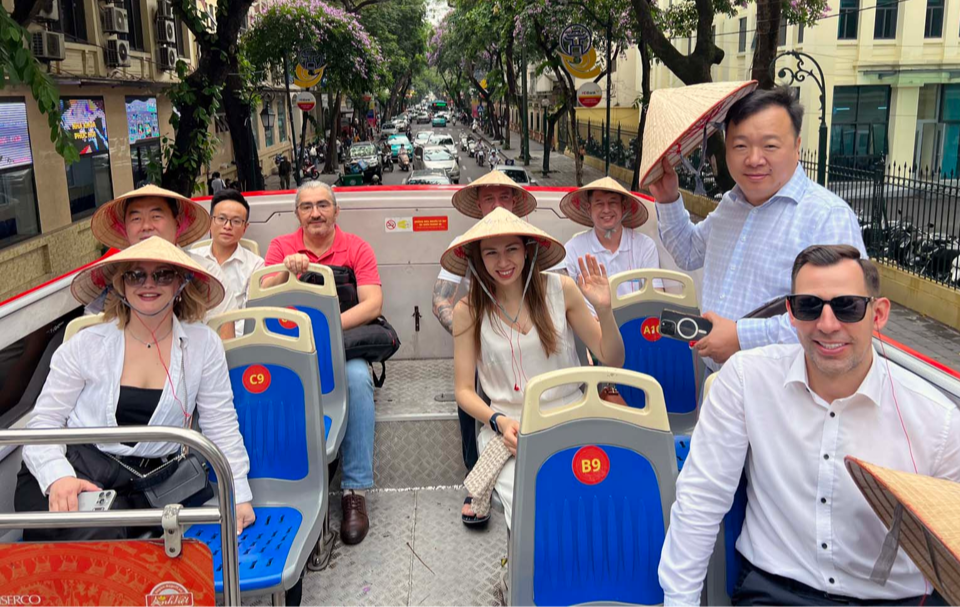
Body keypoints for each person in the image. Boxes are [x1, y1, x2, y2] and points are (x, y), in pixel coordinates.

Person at [659, 244, 959, 607]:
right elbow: (701, 499)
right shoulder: (747, 381)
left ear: (877, 314)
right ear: (791, 313)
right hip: (776, 591)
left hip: (895, 598)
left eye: (847, 306)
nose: (828, 324)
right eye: (809, 306)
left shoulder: (937, 419)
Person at [15, 237, 256, 540]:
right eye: (136, 274)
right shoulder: (85, 345)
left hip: (150, 486)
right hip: (73, 469)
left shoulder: (202, 345)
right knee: (94, 540)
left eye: (163, 274)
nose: (148, 284)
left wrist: (238, 494)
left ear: (180, 283)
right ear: (121, 284)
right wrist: (58, 477)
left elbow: (220, 422)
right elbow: (43, 423)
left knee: (120, 539)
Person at [642, 85, 866, 369]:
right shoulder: (731, 205)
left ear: (797, 147)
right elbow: (689, 252)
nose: (754, 159)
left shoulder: (826, 217)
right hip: (719, 381)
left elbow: (840, 317)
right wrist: (667, 198)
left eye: (770, 145)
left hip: (783, 390)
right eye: (740, 146)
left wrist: (740, 336)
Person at [448, 208, 625, 527]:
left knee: (597, 501)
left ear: (527, 250)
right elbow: (463, 390)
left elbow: (612, 359)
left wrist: (604, 310)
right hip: (510, 427)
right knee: (534, 511)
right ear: (477, 258)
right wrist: (498, 421)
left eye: (512, 249)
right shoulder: (468, 310)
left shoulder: (561, 290)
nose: (503, 263)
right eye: (491, 253)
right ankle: (524, 574)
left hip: (574, 416)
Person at [261, 180, 382, 546]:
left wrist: (324, 330)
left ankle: (353, 492)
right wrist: (287, 271)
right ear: (297, 213)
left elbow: (373, 304)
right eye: (307, 206)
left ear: (335, 211)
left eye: (323, 205)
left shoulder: (357, 248)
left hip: (340, 350)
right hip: (289, 350)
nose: (315, 213)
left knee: (358, 380)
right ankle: (282, 490)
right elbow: (263, 297)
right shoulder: (280, 247)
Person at [432, 171, 538, 490]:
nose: (496, 205)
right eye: (488, 198)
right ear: (478, 204)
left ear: (515, 201)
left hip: (530, 333)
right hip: (485, 340)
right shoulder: (466, 245)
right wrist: (473, 338)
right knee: (470, 384)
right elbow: (440, 299)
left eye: (504, 197)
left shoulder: (532, 239)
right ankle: (476, 473)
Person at [90, 185, 238, 340]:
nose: (146, 226)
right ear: (124, 227)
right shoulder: (110, 277)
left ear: (178, 222)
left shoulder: (207, 274)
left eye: (156, 217)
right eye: (136, 219)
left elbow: (225, 339)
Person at [559, 177, 661, 314]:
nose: (606, 210)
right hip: (590, 329)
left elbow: (656, 296)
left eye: (612, 203)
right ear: (589, 209)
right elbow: (562, 297)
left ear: (623, 207)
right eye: (599, 204)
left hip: (635, 325)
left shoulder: (644, 246)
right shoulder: (573, 248)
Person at [191, 189, 265, 336]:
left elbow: (249, 315)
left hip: (234, 341)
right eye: (221, 218)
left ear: (245, 227)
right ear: (210, 221)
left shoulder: (255, 264)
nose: (227, 226)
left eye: (236, 221)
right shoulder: (193, 258)